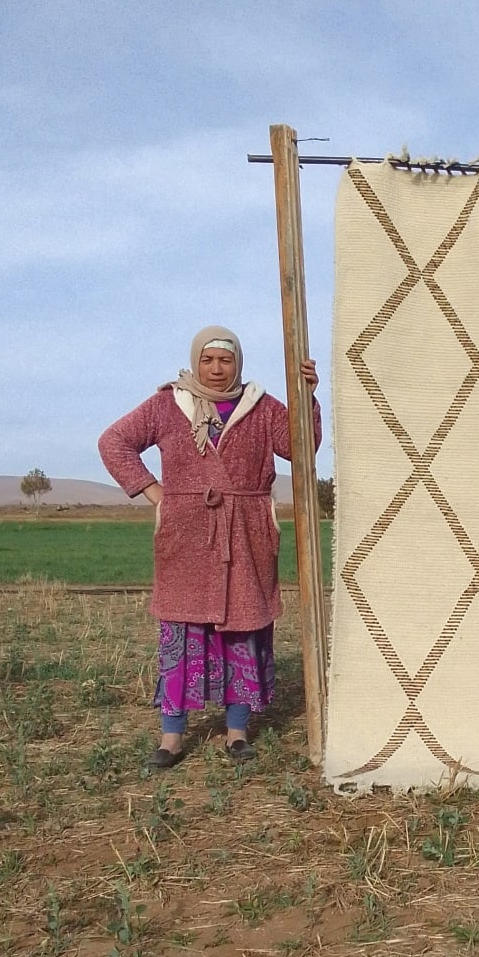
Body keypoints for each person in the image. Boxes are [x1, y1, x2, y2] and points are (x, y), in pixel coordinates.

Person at [99, 326, 321, 770]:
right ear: (196, 361)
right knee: (180, 633)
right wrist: (154, 492)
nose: (216, 369)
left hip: (245, 533)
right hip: (188, 536)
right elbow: (113, 442)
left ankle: (237, 732)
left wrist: (306, 397)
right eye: (208, 360)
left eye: (225, 360)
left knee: (243, 628)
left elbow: (302, 448)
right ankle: (171, 737)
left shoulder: (260, 407)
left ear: (237, 363)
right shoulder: (168, 404)